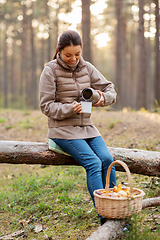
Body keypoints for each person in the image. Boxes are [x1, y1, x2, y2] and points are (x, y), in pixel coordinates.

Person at [39, 30, 117, 225]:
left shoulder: (87, 68)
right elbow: (45, 106)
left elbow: (110, 89)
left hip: (87, 128)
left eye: (77, 54)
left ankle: (116, 208)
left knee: (107, 159)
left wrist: (102, 99)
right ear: (59, 51)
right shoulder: (50, 70)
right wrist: (69, 109)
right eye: (68, 55)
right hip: (62, 130)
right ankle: (105, 216)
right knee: (93, 162)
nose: (73, 59)